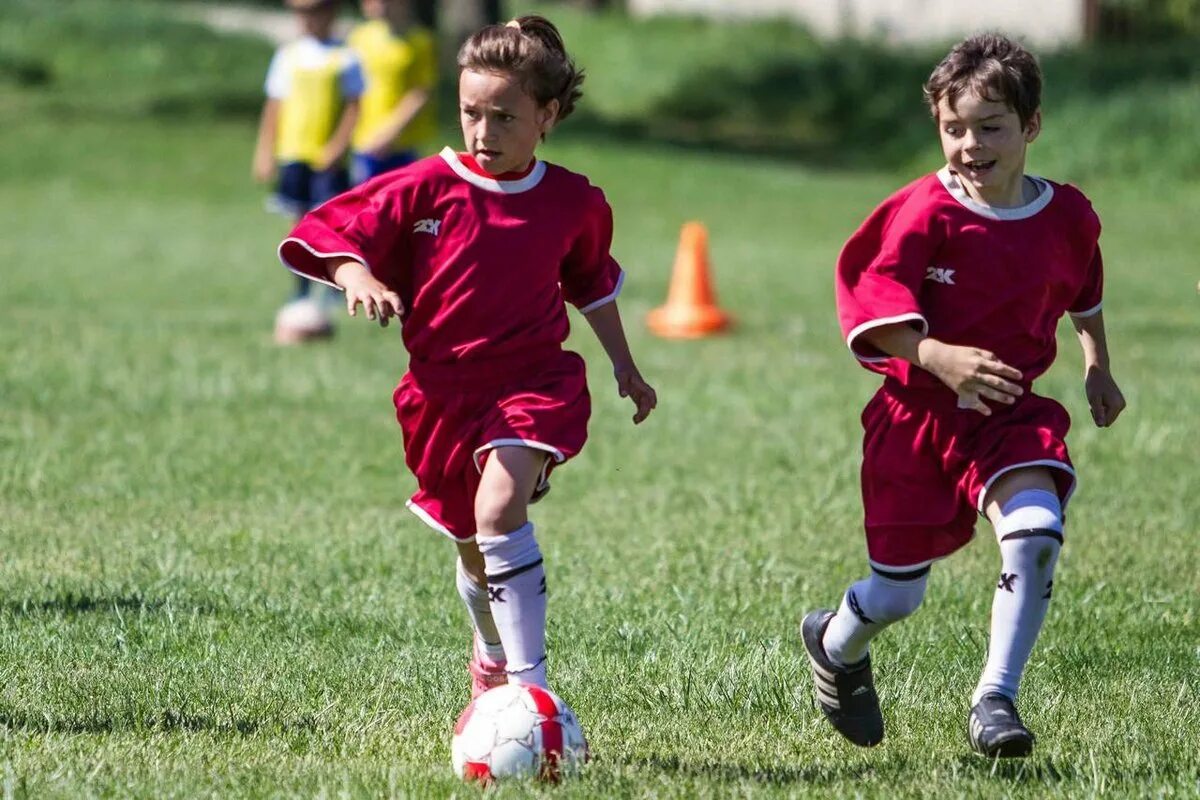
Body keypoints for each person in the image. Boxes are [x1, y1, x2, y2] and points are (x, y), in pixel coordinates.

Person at [277, 16, 657, 698]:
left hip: (533, 383)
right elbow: (332, 228)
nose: (484, 134)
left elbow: (592, 284)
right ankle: (489, 652)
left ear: (546, 115)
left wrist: (625, 366)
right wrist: (355, 277)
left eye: (505, 117)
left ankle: (531, 688)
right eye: (471, 114)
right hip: (440, 396)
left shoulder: (573, 201)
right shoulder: (424, 186)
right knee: (471, 543)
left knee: (499, 510)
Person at [802, 33, 1126, 758]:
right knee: (897, 596)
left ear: (1031, 127)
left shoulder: (1067, 216)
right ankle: (834, 644)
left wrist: (1096, 363)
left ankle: (996, 699)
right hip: (916, 422)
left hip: (1010, 415)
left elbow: (1085, 288)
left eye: (991, 127)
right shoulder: (922, 211)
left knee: (1037, 533)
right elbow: (866, 302)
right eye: (954, 129)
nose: (970, 145)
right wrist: (934, 354)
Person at [252, 0, 364, 344]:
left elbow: (353, 107)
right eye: (301, 13)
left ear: (330, 14)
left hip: (326, 158)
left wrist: (337, 146)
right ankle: (300, 286)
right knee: (297, 222)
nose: (307, 19)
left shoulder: (345, 57)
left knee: (331, 223)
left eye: (314, 12)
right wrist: (265, 149)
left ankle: (332, 285)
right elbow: (275, 105)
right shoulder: (288, 56)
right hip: (294, 153)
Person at [348, 0, 438, 185]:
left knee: (404, 208)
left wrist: (389, 133)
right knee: (365, 207)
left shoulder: (420, 41)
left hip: (403, 142)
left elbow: (420, 93)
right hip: (365, 140)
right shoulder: (359, 37)